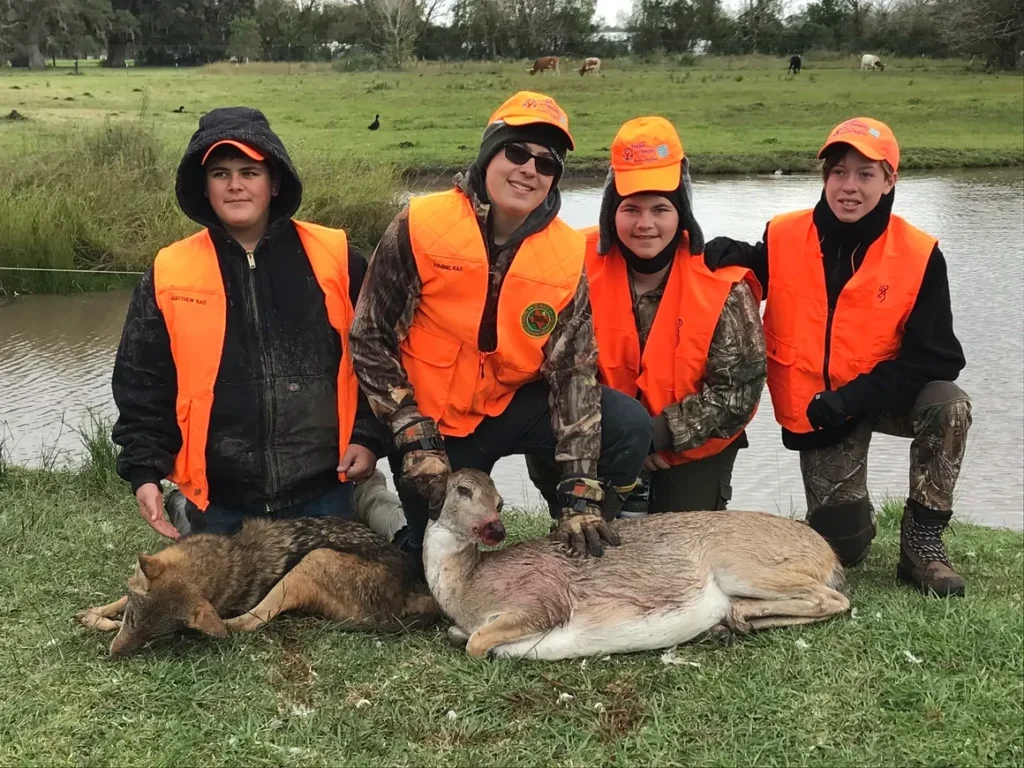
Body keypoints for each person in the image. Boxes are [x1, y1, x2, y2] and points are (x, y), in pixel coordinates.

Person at [349, 91, 653, 562]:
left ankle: (576, 535)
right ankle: (382, 510)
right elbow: (369, 337)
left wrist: (580, 497)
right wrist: (411, 434)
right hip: (428, 419)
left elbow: (574, 376)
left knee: (628, 424)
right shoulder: (420, 223)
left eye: (547, 163)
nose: (529, 169)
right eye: (516, 152)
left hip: (508, 408)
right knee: (429, 566)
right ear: (490, 153)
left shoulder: (566, 253)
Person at [703, 117, 971, 597]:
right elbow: (769, 266)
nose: (849, 187)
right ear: (825, 177)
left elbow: (937, 359)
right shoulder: (784, 233)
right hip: (820, 410)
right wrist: (731, 253)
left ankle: (923, 547)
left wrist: (854, 396)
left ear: (890, 180)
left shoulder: (920, 253)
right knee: (844, 548)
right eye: (839, 172)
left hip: (884, 395)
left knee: (948, 402)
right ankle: (857, 518)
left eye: (866, 174)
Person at [111, 106, 388, 538]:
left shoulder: (337, 257)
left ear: (274, 182)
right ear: (203, 186)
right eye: (220, 173)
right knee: (222, 589)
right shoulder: (169, 270)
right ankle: (184, 505)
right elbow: (143, 383)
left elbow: (380, 357)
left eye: (249, 172)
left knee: (376, 575)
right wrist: (144, 470)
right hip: (222, 497)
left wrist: (368, 438)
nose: (235, 185)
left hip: (325, 484)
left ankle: (374, 501)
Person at [527, 116, 766, 514]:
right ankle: (576, 508)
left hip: (686, 445)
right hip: (596, 437)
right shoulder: (567, 262)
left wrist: (657, 436)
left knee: (681, 549)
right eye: (631, 209)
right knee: (591, 538)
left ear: (683, 212)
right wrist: (619, 438)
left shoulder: (723, 281)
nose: (645, 225)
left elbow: (737, 393)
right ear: (610, 211)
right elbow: (539, 365)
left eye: (660, 209)